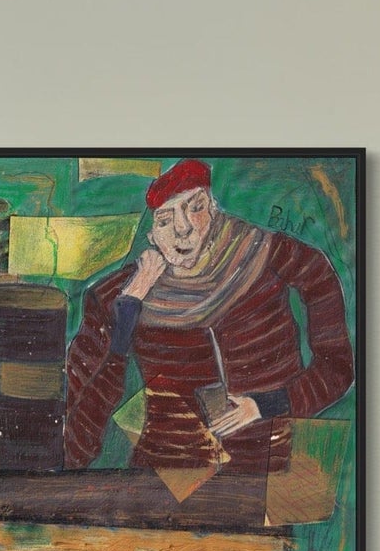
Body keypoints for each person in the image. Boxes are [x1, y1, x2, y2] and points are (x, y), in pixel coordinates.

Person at [62, 160, 354, 473]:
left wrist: (266, 404)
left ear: (214, 211)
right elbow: (74, 447)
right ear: (150, 236)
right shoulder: (117, 297)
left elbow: (338, 369)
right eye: (165, 219)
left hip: (266, 470)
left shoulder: (274, 255)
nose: (183, 227)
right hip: (165, 476)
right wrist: (127, 316)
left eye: (196, 207)